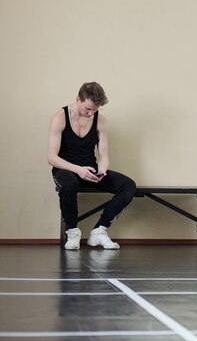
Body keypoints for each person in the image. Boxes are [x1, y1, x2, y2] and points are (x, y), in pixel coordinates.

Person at [47, 82, 136, 250]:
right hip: (65, 170)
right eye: (88, 109)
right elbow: (52, 157)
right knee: (69, 184)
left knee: (128, 185)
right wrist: (78, 170)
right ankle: (72, 232)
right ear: (78, 99)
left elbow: (103, 155)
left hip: (89, 171)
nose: (91, 113)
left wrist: (102, 170)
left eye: (95, 109)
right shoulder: (60, 117)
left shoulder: (100, 120)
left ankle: (99, 231)